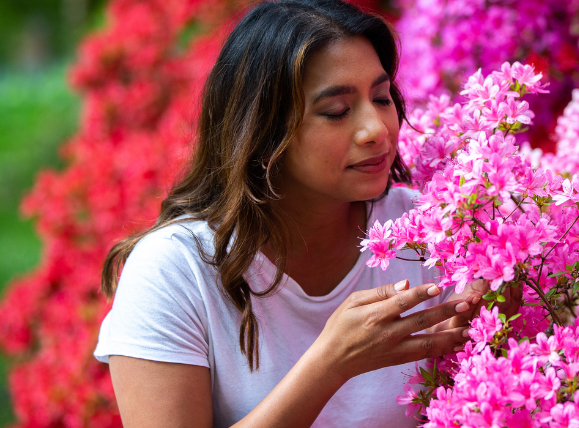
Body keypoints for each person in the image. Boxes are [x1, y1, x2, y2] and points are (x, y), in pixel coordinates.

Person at [95, 1, 519, 427]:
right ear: (261, 131)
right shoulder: (174, 271)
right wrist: (329, 365)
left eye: (382, 97)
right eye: (337, 111)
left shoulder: (436, 233)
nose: (376, 130)